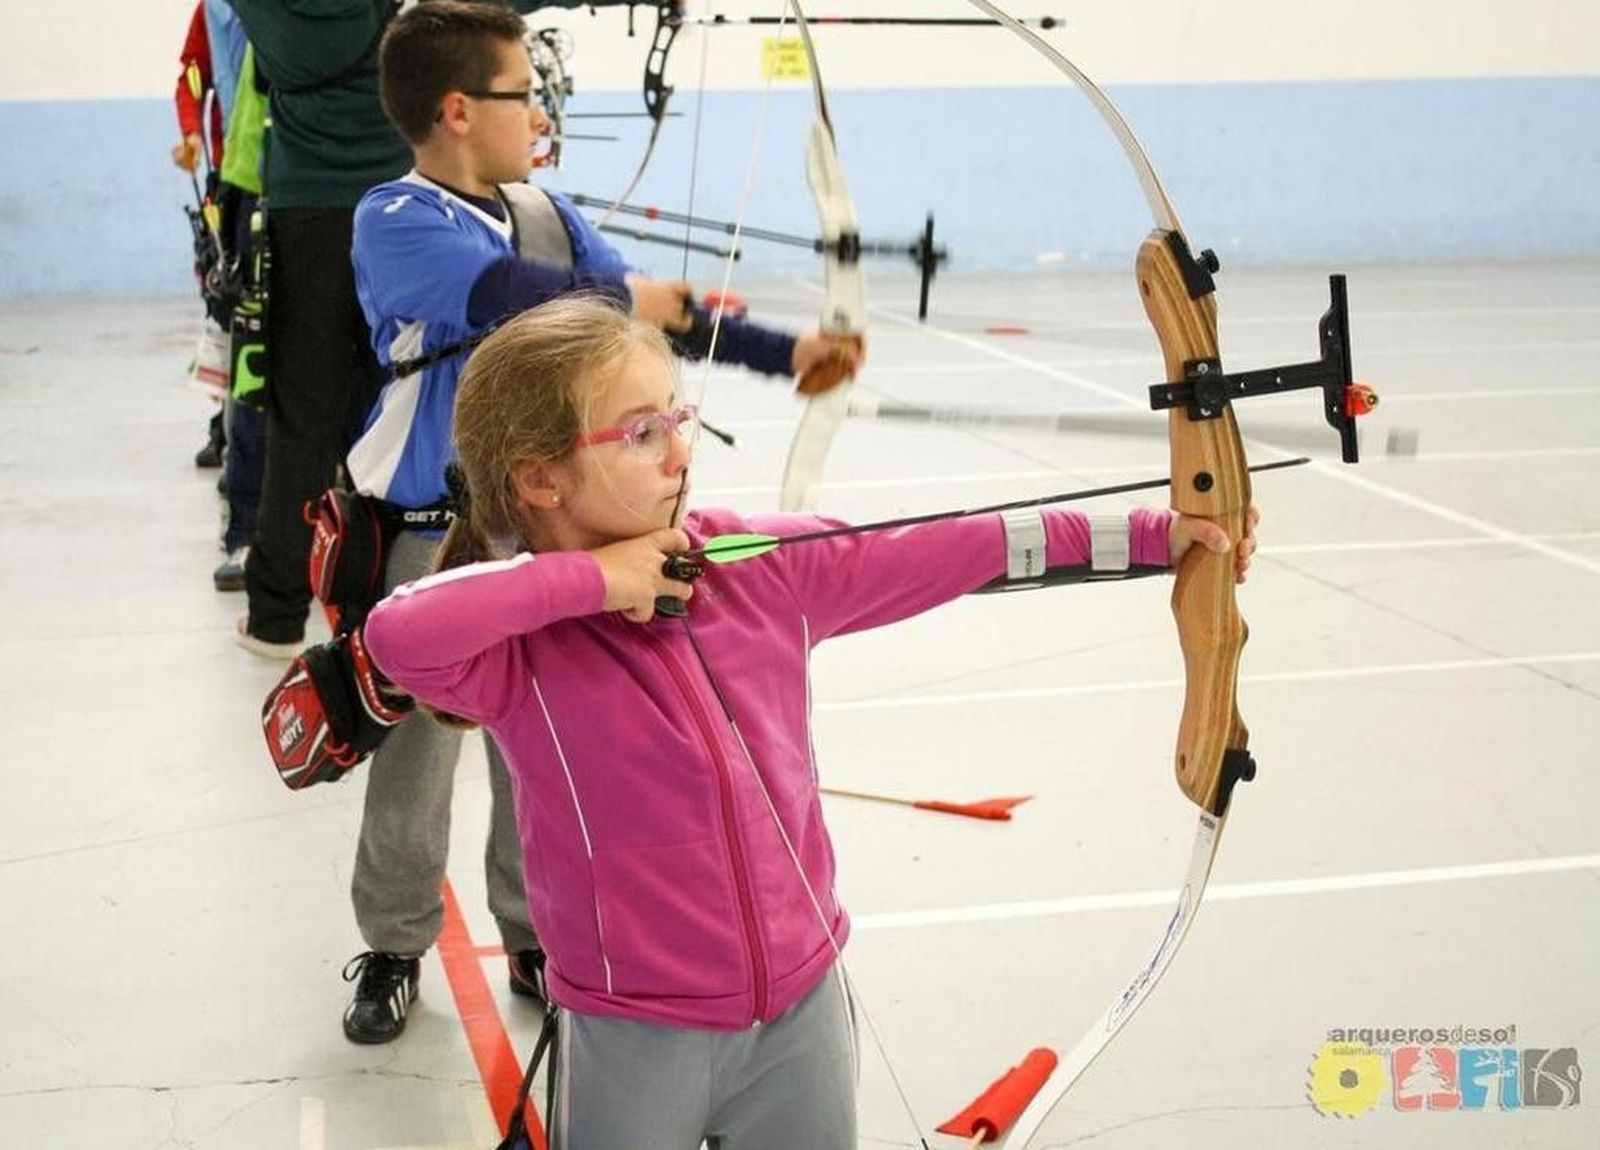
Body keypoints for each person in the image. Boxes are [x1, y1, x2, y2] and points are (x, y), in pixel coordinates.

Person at [360, 296, 1256, 1147]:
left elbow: (962, 545)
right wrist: (605, 580)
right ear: (540, 479)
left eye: (678, 417)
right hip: (630, 1031)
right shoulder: (522, 651)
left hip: (802, 1015)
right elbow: (399, 631)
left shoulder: (757, 569)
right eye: (641, 434)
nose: (680, 452)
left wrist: (1153, 537)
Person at [335, 0, 857, 1046]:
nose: (537, 110)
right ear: (453, 110)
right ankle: (394, 943)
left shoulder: (547, 213)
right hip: (426, 524)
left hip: (546, 529)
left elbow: (630, 323)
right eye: (520, 93)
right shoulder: (393, 217)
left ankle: (531, 932)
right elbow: (500, 293)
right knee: (416, 755)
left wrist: (783, 353)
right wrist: (616, 290)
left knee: (544, 744)